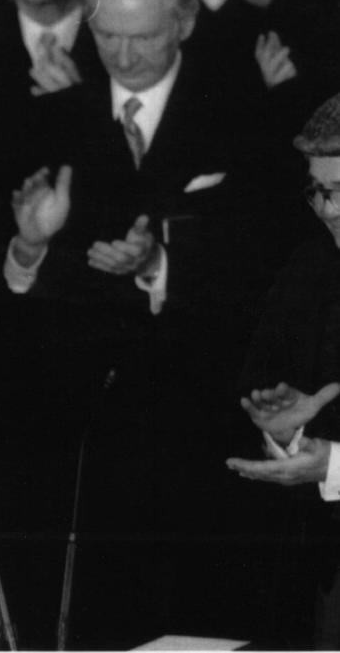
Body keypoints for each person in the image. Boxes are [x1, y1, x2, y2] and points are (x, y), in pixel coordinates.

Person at [4, 0, 269, 647]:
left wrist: (161, 264)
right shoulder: (46, 115)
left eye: (143, 34)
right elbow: (18, 294)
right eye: (105, 33)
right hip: (86, 450)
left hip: (204, 434)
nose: (122, 54)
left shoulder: (242, 108)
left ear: (184, 20)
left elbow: (261, 260)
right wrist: (30, 248)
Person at [228, 91, 340, 648]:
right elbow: (262, 382)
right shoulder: (308, 267)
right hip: (323, 572)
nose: (328, 210)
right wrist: (288, 434)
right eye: (319, 191)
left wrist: (333, 466)